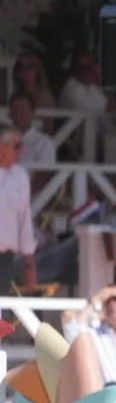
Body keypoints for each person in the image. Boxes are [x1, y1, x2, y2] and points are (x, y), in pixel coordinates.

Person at [0, 125, 37, 292]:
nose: (21, 151)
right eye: (16, 146)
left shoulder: (20, 176)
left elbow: (24, 220)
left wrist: (29, 265)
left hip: (4, 258)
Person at [8, 93, 57, 167]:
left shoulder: (44, 143)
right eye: (15, 111)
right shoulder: (3, 141)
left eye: (23, 111)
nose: (18, 115)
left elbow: (44, 175)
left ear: (32, 113)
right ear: (10, 114)